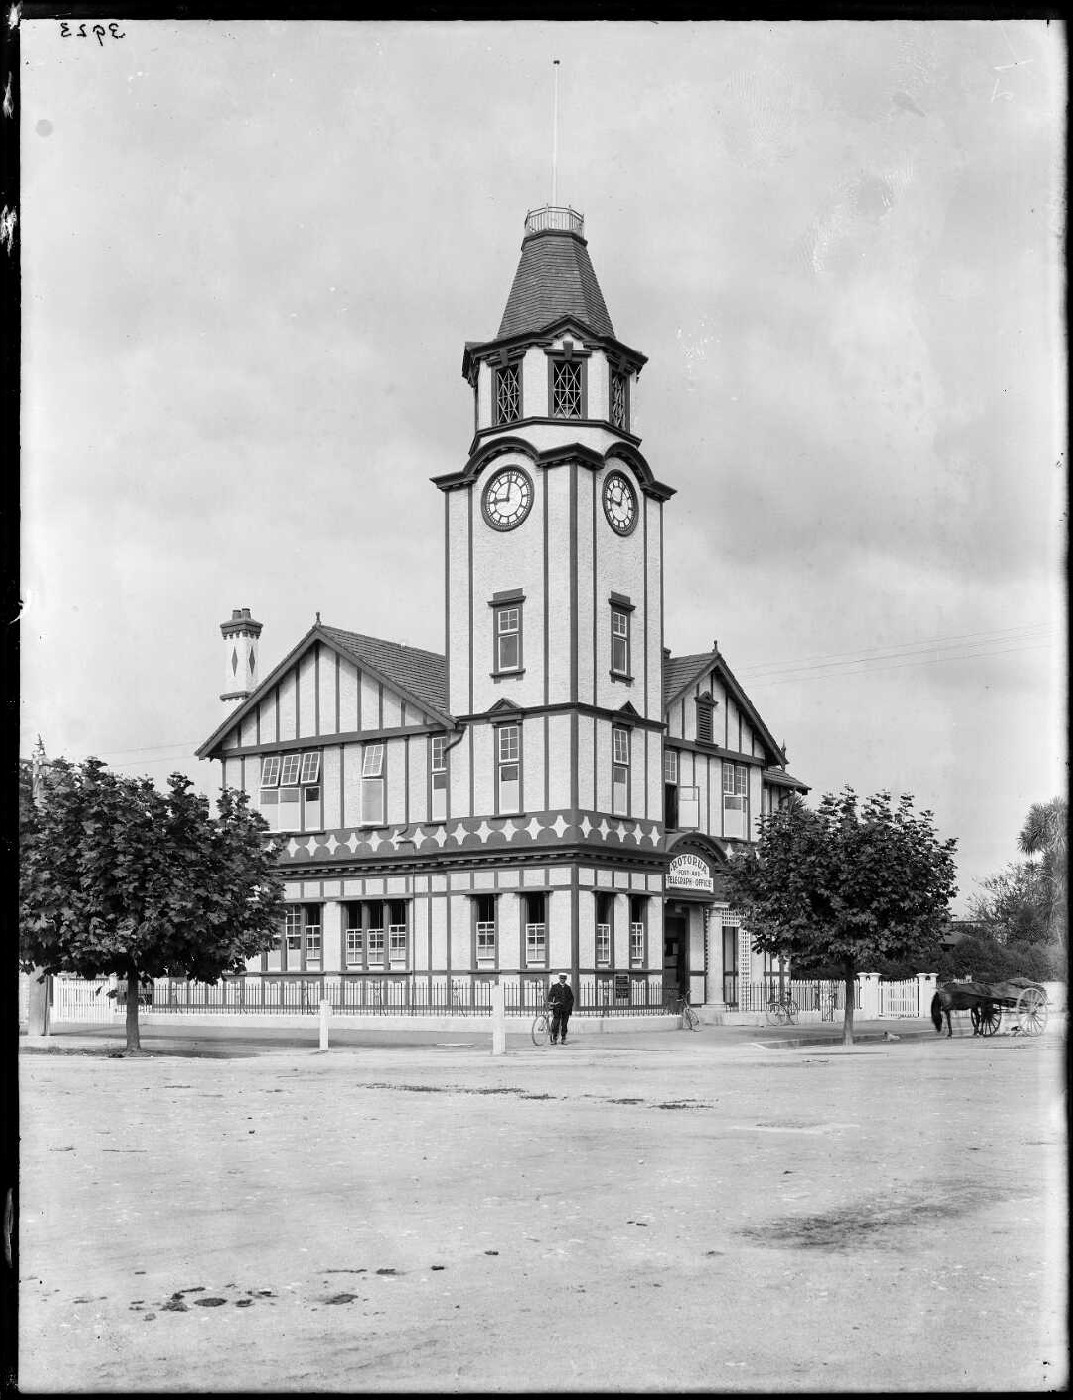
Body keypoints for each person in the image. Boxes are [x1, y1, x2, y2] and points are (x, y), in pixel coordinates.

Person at [547, 973, 574, 1045]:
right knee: (556, 1024)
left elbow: (571, 999)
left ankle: (563, 1038)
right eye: (561, 978)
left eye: (564, 979)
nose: (563, 980)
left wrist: (569, 1007)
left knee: (564, 1024)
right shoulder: (555, 987)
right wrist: (551, 1003)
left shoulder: (568, 988)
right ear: (559, 979)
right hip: (557, 1008)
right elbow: (550, 995)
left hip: (566, 1009)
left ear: (566, 979)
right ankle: (554, 1039)